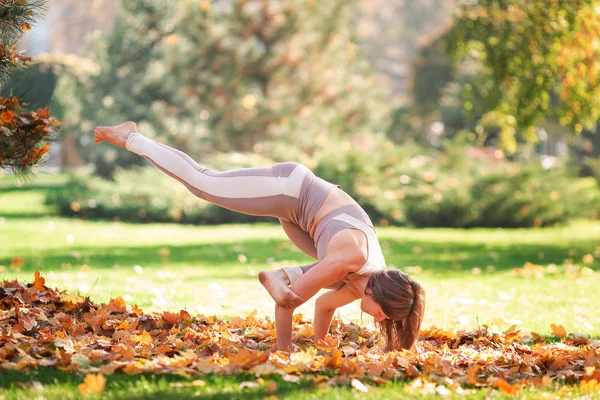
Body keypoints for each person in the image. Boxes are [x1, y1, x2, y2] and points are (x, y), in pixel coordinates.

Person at [94, 121, 426, 351]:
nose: (378, 319)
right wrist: (285, 352)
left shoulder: (364, 280)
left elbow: (325, 306)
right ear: (379, 293)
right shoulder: (348, 262)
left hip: (302, 218)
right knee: (205, 183)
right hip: (292, 191)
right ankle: (131, 137)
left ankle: (279, 275)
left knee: (320, 287)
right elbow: (287, 308)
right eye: (383, 313)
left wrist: (323, 349)